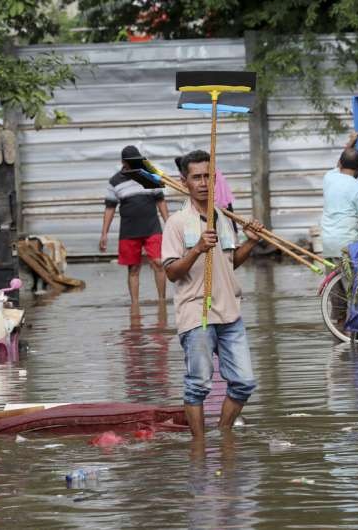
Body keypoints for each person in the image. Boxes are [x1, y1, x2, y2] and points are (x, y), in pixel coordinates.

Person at [162, 149, 263, 439]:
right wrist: (197, 249)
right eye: (197, 177)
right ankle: (199, 445)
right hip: (197, 313)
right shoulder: (177, 222)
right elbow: (171, 272)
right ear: (184, 182)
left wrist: (251, 242)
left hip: (230, 312)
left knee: (243, 382)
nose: (204, 183)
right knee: (198, 385)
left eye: (208, 176)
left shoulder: (223, 216)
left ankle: (223, 435)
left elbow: (230, 263)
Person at [100, 145, 169, 308]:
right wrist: (104, 234)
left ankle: (162, 302)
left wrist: (169, 223)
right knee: (133, 269)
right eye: (131, 162)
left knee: (159, 263)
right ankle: (135, 306)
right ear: (123, 162)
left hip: (152, 228)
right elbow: (110, 208)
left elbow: (160, 201)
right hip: (129, 231)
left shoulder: (149, 176)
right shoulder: (115, 181)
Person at [321, 147, 358, 262]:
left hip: (327, 243)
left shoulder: (329, 177)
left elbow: (339, 164)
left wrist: (351, 143)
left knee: (333, 274)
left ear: (340, 163)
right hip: (348, 245)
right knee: (357, 274)